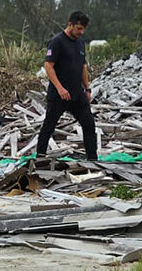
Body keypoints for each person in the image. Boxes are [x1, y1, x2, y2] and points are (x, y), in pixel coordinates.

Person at [36, 11, 98, 160]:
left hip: (77, 94)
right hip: (59, 94)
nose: (81, 32)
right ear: (70, 24)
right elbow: (48, 66)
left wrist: (87, 88)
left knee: (89, 125)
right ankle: (40, 158)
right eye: (78, 28)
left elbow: (83, 67)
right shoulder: (57, 42)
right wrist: (60, 88)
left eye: (83, 29)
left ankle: (93, 159)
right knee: (49, 127)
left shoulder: (80, 42)